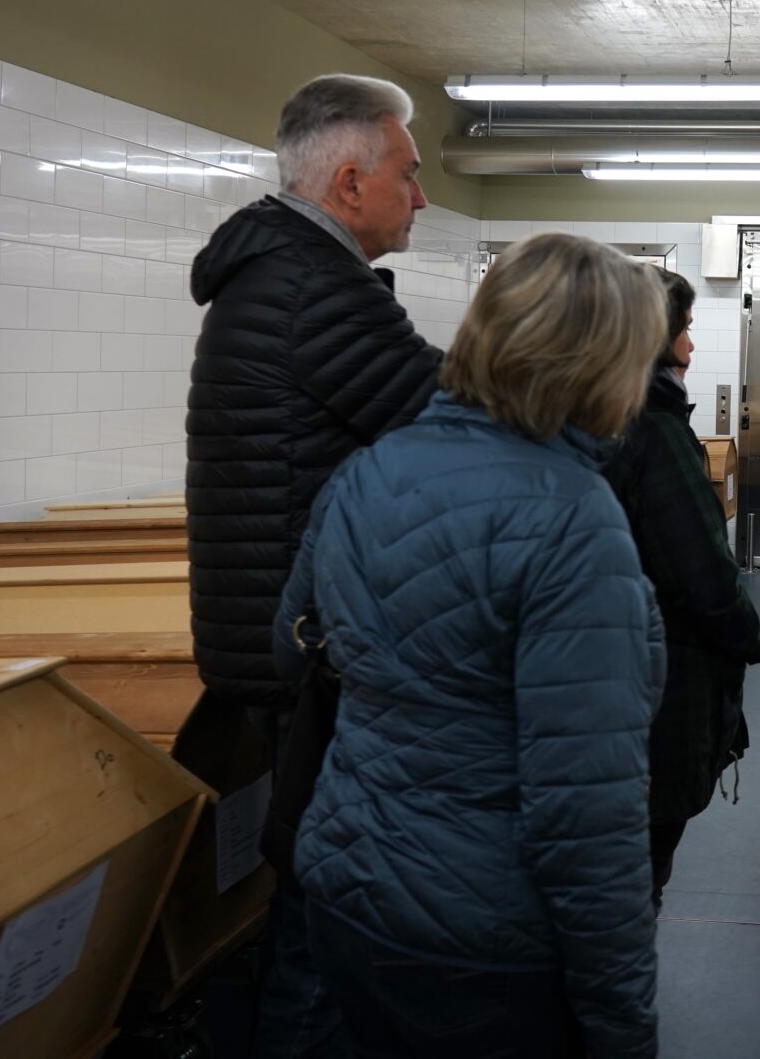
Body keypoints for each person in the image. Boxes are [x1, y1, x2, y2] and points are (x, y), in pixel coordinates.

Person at [277, 232, 667, 1059]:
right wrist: (622, 1022)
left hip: (348, 893)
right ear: (603, 363)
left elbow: (293, 645)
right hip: (483, 940)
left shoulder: (368, 469)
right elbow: (587, 814)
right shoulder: (573, 519)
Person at [188, 73, 443, 1056]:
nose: (418, 197)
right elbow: (450, 425)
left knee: (311, 902)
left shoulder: (286, 278)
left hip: (286, 638)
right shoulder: (313, 290)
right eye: (409, 176)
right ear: (348, 183)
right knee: (327, 926)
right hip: (312, 657)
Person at [603, 270, 760, 906]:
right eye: (686, 331)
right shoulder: (656, 432)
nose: (692, 347)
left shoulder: (594, 419)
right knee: (636, 878)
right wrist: (750, 637)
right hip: (661, 686)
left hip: (619, 682)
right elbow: (705, 579)